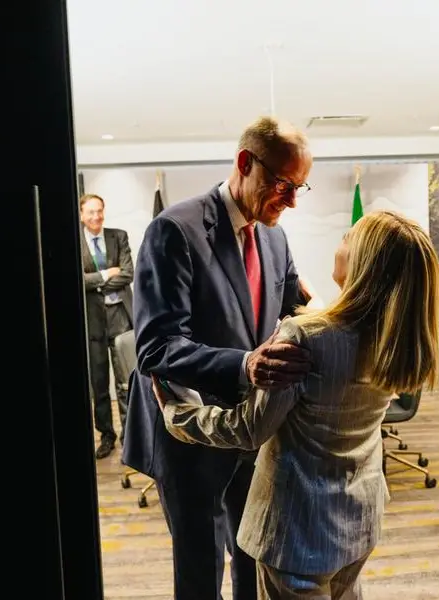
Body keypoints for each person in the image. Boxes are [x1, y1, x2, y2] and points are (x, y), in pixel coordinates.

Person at [153, 210, 439, 599]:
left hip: (297, 533)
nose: (340, 243)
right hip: (358, 519)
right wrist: (317, 310)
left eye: (347, 237)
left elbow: (248, 429)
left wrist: (178, 415)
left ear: (364, 262)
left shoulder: (305, 338)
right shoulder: (396, 338)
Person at [122, 116, 317, 600]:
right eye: (283, 184)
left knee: (252, 553)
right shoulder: (174, 230)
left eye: (299, 188)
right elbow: (157, 346)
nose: (291, 201)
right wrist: (245, 365)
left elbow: (290, 305)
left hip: (250, 428)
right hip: (189, 433)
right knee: (200, 568)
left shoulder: (274, 237)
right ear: (245, 163)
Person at [79, 193, 134, 459]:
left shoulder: (118, 236)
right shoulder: (75, 240)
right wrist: (105, 274)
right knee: (99, 384)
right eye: (90, 212)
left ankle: (129, 437)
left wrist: (95, 283)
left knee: (126, 382)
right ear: (81, 215)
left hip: (120, 316)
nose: (96, 216)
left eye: (99, 210)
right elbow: (79, 280)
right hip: (92, 321)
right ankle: (107, 436)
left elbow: (128, 274)